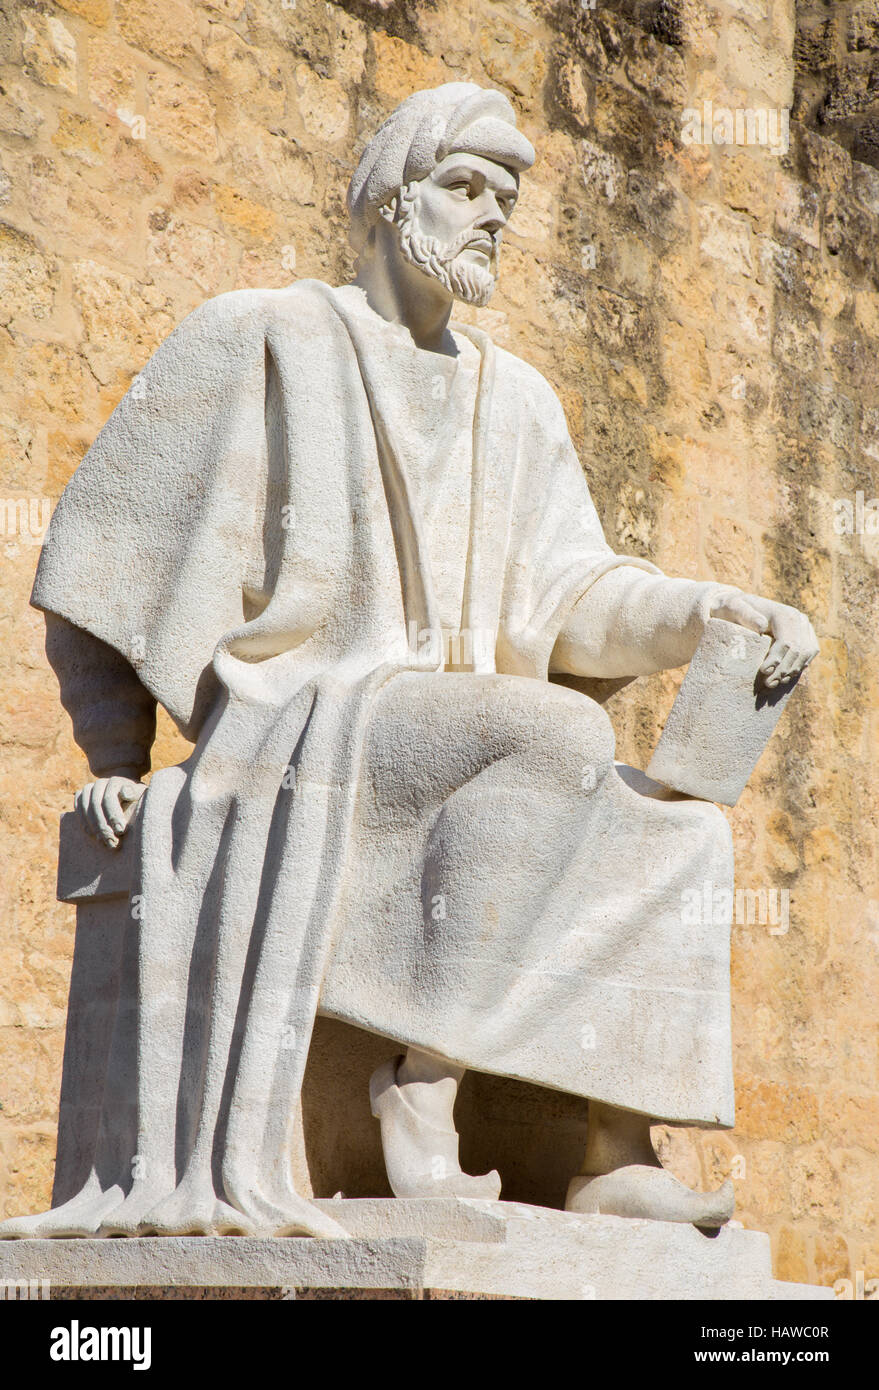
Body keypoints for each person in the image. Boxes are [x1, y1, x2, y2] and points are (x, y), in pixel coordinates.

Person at [1, 83, 817, 1239]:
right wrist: (116, 755)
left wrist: (705, 611)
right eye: (466, 186)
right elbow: (102, 553)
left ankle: (614, 1149)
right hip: (316, 722)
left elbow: (572, 593)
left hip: (467, 734)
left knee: (677, 825)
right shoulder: (265, 336)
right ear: (392, 196)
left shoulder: (517, 401)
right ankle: (420, 1088)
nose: (493, 217)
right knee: (559, 731)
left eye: (508, 198)